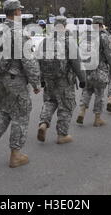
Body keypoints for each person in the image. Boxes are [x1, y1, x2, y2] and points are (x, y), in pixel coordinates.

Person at [0, 0, 41, 168]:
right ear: (17, 13)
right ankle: (16, 155)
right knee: (21, 114)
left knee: (6, 110)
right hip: (15, 80)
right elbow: (28, 60)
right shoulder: (19, 32)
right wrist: (35, 82)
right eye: (20, 10)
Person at [37, 16, 86, 144]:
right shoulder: (68, 41)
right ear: (64, 25)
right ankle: (62, 135)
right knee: (65, 106)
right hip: (64, 79)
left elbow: (39, 61)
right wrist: (82, 79)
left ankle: (43, 123)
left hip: (49, 79)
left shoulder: (45, 41)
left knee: (49, 101)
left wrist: (41, 79)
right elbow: (76, 62)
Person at [77, 16, 111, 127]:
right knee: (99, 93)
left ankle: (82, 111)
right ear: (102, 23)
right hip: (100, 69)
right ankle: (97, 118)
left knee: (87, 91)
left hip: (86, 69)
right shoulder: (104, 36)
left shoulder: (85, 35)